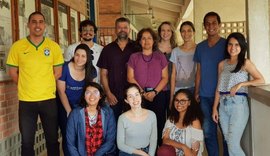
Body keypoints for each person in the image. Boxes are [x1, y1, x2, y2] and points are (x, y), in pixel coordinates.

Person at [6, 11, 64, 156]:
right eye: (34, 21)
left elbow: (58, 72)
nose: (37, 25)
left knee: (52, 140)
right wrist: (27, 84)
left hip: (48, 100)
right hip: (26, 101)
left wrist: (42, 83)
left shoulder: (54, 47)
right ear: (28, 25)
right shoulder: (17, 46)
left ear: (45, 25)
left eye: (40, 22)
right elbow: (12, 72)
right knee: (26, 142)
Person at [212, 32, 265, 156]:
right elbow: (218, 88)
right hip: (223, 106)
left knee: (233, 145)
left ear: (241, 47)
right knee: (229, 142)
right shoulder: (222, 64)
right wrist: (215, 108)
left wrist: (241, 84)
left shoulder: (245, 63)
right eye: (230, 44)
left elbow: (261, 80)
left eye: (236, 44)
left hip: (238, 105)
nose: (233, 47)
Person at [193, 11, 228, 156]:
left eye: (214, 23)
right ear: (204, 26)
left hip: (224, 95)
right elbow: (199, 71)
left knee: (226, 132)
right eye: (207, 23)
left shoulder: (227, 45)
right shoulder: (200, 47)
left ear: (219, 25)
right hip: (205, 96)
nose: (211, 26)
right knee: (208, 132)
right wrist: (196, 91)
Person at [127, 28, 168, 146]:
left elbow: (165, 78)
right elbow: (130, 77)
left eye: (149, 38)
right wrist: (142, 93)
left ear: (154, 41)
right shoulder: (134, 57)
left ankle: (158, 150)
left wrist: (154, 92)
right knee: (141, 124)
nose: (146, 41)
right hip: (139, 97)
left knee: (159, 124)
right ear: (139, 41)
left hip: (158, 95)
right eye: (143, 38)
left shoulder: (160, 56)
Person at [56, 44, 96, 155]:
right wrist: (69, 111)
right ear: (73, 55)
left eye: (83, 56)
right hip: (64, 106)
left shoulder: (91, 70)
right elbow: (61, 91)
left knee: (82, 135)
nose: (79, 58)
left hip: (81, 107)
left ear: (88, 57)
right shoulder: (64, 67)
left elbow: (91, 91)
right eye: (77, 55)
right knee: (68, 135)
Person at [97, 17, 137, 120]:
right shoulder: (107, 49)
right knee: (114, 126)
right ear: (115, 29)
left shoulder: (137, 48)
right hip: (113, 96)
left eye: (125, 27)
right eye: (119, 27)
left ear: (129, 30)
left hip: (133, 95)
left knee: (132, 124)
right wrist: (108, 93)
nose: (122, 30)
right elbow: (103, 74)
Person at [66, 82, 116, 156]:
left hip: (103, 154)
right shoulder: (75, 114)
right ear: (84, 96)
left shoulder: (108, 113)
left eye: (95, 92)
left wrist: (98, 154)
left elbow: (110, 140)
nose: (92, 96)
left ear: (100, 96)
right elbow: (70, 143)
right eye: (88, 92)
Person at [157, 89, 204, 156]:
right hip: (173, 154)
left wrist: (185, 150)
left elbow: (194, 153)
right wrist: (183, 147)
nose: (179, 104)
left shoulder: (195, 122)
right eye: (176, 100)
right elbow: (165, 140)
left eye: (183, 101)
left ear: (189, 102)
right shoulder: (171, 118)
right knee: (163, 151)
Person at [117, 83, 157, 156]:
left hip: (147, 151)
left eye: (136, 94)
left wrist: (150, 155)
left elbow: (153, 140)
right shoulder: (122, 118)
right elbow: (120, 144)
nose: (135, 99)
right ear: (126, 100)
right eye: (130, 97)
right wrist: (141, 153)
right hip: (127, 153)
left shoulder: (152, 115)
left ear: (141, 95)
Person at [170, 21, 196, 104]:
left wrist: (197, 92)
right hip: (178, 90)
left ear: (194, 32)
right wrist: (171, 97)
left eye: (189, 30)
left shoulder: (199, 49)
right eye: (183, 31)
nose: (186, 33)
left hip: (194, 89)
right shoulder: (175, 51)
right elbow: (173, 74)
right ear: (180, 33)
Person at [157, 21, 177, 116]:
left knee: (171, 116)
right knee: (159, 117)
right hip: (157, 87)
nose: (165, 33)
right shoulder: (154, 48)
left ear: (172, 32)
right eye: (163, 30)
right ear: (159, 32)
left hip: (171, 87)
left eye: (168, 30)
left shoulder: (176, 48)